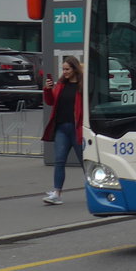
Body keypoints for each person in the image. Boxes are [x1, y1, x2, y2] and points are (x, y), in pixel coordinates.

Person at [41, 55, 84, 205]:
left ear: (74, 69)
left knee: (85, 162)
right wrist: (47, 89)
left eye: (67, 69)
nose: (64, 72)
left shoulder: (82, 86)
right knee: (59, 160)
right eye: (63, 69)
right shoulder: (60, 84)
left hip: (77, 128)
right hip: (61, 128)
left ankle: (95, 190)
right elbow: (50, 101)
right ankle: (57, 193)